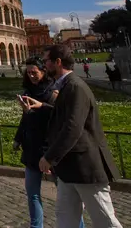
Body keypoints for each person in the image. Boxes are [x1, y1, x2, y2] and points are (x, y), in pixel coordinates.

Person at [27, 45, 122, 228]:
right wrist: (43, 106)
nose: (44, 65)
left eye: (46, 60)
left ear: (58, 62)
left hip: (84, 166)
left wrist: (50, 157)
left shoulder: (75, 86)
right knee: (65, 217)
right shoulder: (67, 86)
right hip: (68, 167)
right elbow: (65, 115)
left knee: (105, 220)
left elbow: (73, 127)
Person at [14, 58, 84, 228]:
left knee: (66, 197)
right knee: (33, 195)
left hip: (51, 151)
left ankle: (78, 226)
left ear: (43, 71)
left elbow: (62, 117)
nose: (31, 75)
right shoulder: (28, 91)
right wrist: (18, 138)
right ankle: (36, 226)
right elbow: (26, 118)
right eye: (28, 72)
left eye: (34, 72)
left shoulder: (54, 92)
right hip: (32, 148)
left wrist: (41, 106)